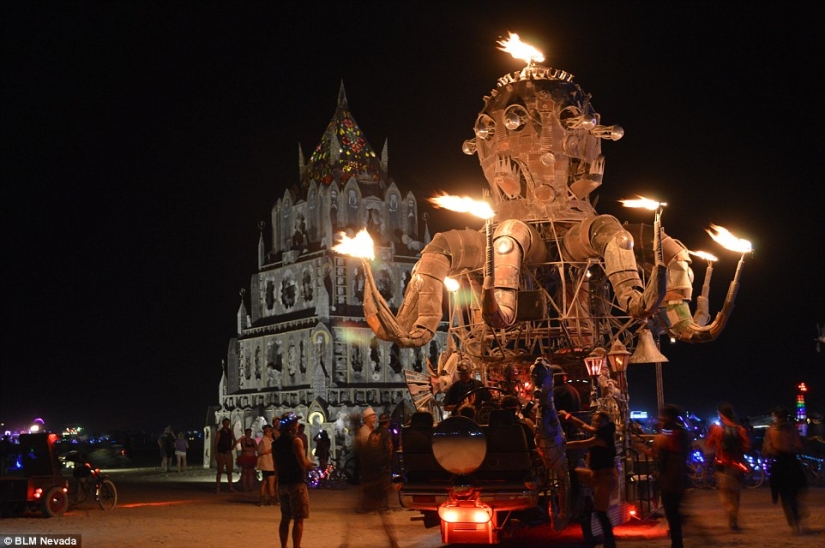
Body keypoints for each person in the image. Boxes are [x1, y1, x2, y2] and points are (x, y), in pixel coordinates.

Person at [562, 410, 618, 548]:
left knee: (601, 512)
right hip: (595, 475)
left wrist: (562, 446)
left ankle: (610, 543)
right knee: (572, 473)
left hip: (605, 478)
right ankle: (576, 502)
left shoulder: (604, 437)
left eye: (599, 421)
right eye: (594, 421)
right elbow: (583, 425)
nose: (595, 424)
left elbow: (582, 444)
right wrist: (568, 416)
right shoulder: (599, 432)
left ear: (606, 422)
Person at [705, 402, 750, 531]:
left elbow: (709, 445)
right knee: (736, 495)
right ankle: (733, 520)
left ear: (720, 414)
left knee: (724, 494)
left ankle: (731, 514)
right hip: (737, 466)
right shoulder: (740, 429)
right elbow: (746, 447)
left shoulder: (716, 429)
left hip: (722, 466)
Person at [763, 405, 807, 535]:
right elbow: (799, 445)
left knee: (784, 494)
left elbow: (766, 448)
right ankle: (796, 519)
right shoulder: (791, 429)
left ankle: (794, 521)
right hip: (791, 462)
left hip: (779, 464)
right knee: (794, 492)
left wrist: (767, 455)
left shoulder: (771, 430)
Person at [273, 412, 315, 548]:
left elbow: (276, 466)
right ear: (291, 426)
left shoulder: (276, 444)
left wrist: (277, 484)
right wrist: (311, 465)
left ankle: (283, 546)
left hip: (283, 484)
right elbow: (303, 463)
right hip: (296, 483)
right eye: (296, 423)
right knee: (298, 519)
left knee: (285, 518)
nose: (298, 425)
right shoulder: (296, 441)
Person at [651, 404, 690, 548]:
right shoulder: (682, 433)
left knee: (672, 513)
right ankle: (677, 541)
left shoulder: (669, 434)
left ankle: (677, 543)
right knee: (674, 512)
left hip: (670, 478)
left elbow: (663, 453)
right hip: (679, 478)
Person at [360, 412, 394, 513]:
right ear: (387, 422)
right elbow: (389, 449)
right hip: (383, 464)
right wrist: (389, 463)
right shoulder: (386, 433)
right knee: (384, 486)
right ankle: (383, 507)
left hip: (372, 463)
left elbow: (368, 448)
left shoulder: (374, 432)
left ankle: (372, 506)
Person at [215, 417, 237, 493]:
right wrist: (216, 454)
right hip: (221, 453)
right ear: (223, 424)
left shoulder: (230, 432)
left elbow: (235, 440)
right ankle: (218, 487)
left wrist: (232, 447)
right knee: (220, 471)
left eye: (228, 423)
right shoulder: (219, 432)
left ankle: (231, 487)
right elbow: (216, 444)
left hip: (228, 453)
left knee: (229, 471)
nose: (227, 424)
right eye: (226, 423)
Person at [256, 423, 277, 506]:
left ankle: (264, 499)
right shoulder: (263, 440)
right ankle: (271, 499)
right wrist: (268, 451)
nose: (269, 433)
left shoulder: (272, 440)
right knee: (269, 481)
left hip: (271, 463)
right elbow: (259, 451)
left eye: (270, 431)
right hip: (267, 464)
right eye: (268, 432)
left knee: (266, 481)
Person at [237, 427, 259, 491]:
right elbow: (244, 448)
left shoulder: (253, 440)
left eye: (250, 432)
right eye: (248, 432)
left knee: (251, 473)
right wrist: (251, 449)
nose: (249, 434)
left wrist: (249, 450)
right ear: (246, 433)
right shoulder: (243, 440)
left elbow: (256, 448)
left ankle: (251, 487)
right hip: (245, 458)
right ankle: (244, 487)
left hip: (252, 458)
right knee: (245, 472)